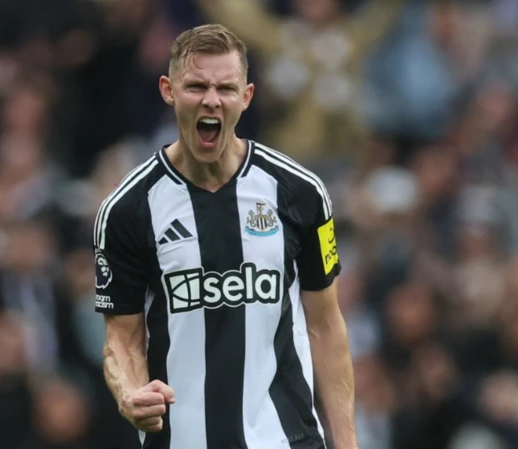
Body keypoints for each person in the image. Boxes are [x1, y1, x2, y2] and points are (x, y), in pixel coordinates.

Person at [93, 24, 358, 449]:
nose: (211, 100)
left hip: (286, 439)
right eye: (196, 85)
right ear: (168, 90)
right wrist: (129, 394)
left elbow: (326, 326)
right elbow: (121, 338)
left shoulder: (300, 193)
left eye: (226, 88)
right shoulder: (127, 210)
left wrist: (346, 443)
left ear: (246, 97)